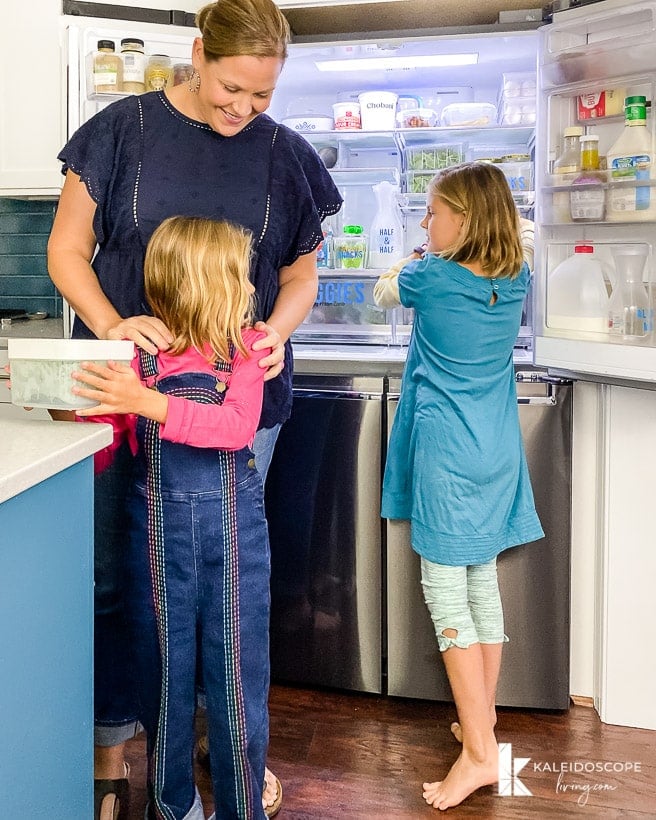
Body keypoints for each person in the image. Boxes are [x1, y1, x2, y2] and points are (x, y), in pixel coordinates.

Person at [46, 0, 342, 816]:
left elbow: (300, 277)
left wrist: (277, 333)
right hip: (122, 395)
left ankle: (222, 751)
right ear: (200, 53)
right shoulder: (123, 132)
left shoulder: (285, 157)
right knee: (119, 579)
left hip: (242, 396)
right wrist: (112, 326)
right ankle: (113, 750)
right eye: (231, 88)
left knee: (227, 588)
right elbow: (66, 250)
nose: (243, 110)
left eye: (262, 95)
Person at [73, 215, 272, 820]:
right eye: (238, 276)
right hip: (156, 545)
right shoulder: (138, 360)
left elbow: (235, 427)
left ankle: (242, 810)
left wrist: (148, 403)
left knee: (234, 681)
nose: (247, 288)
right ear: (205, 285)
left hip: (233, 543)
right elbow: (107, 444)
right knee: (164, 681)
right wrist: (71, 406)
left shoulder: (248, 354)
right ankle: (174, 806)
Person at [375, 162, 544, 811]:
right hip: (497, 450)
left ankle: (477, 755)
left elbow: (385, 293)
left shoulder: (433, 276)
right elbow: (516, 236)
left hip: (448, 455)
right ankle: (484, 726)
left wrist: (408, 262)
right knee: (481, 585)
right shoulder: (515, 275)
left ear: (465, 220)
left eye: (434, 210)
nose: (426, 221)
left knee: (447, 594)